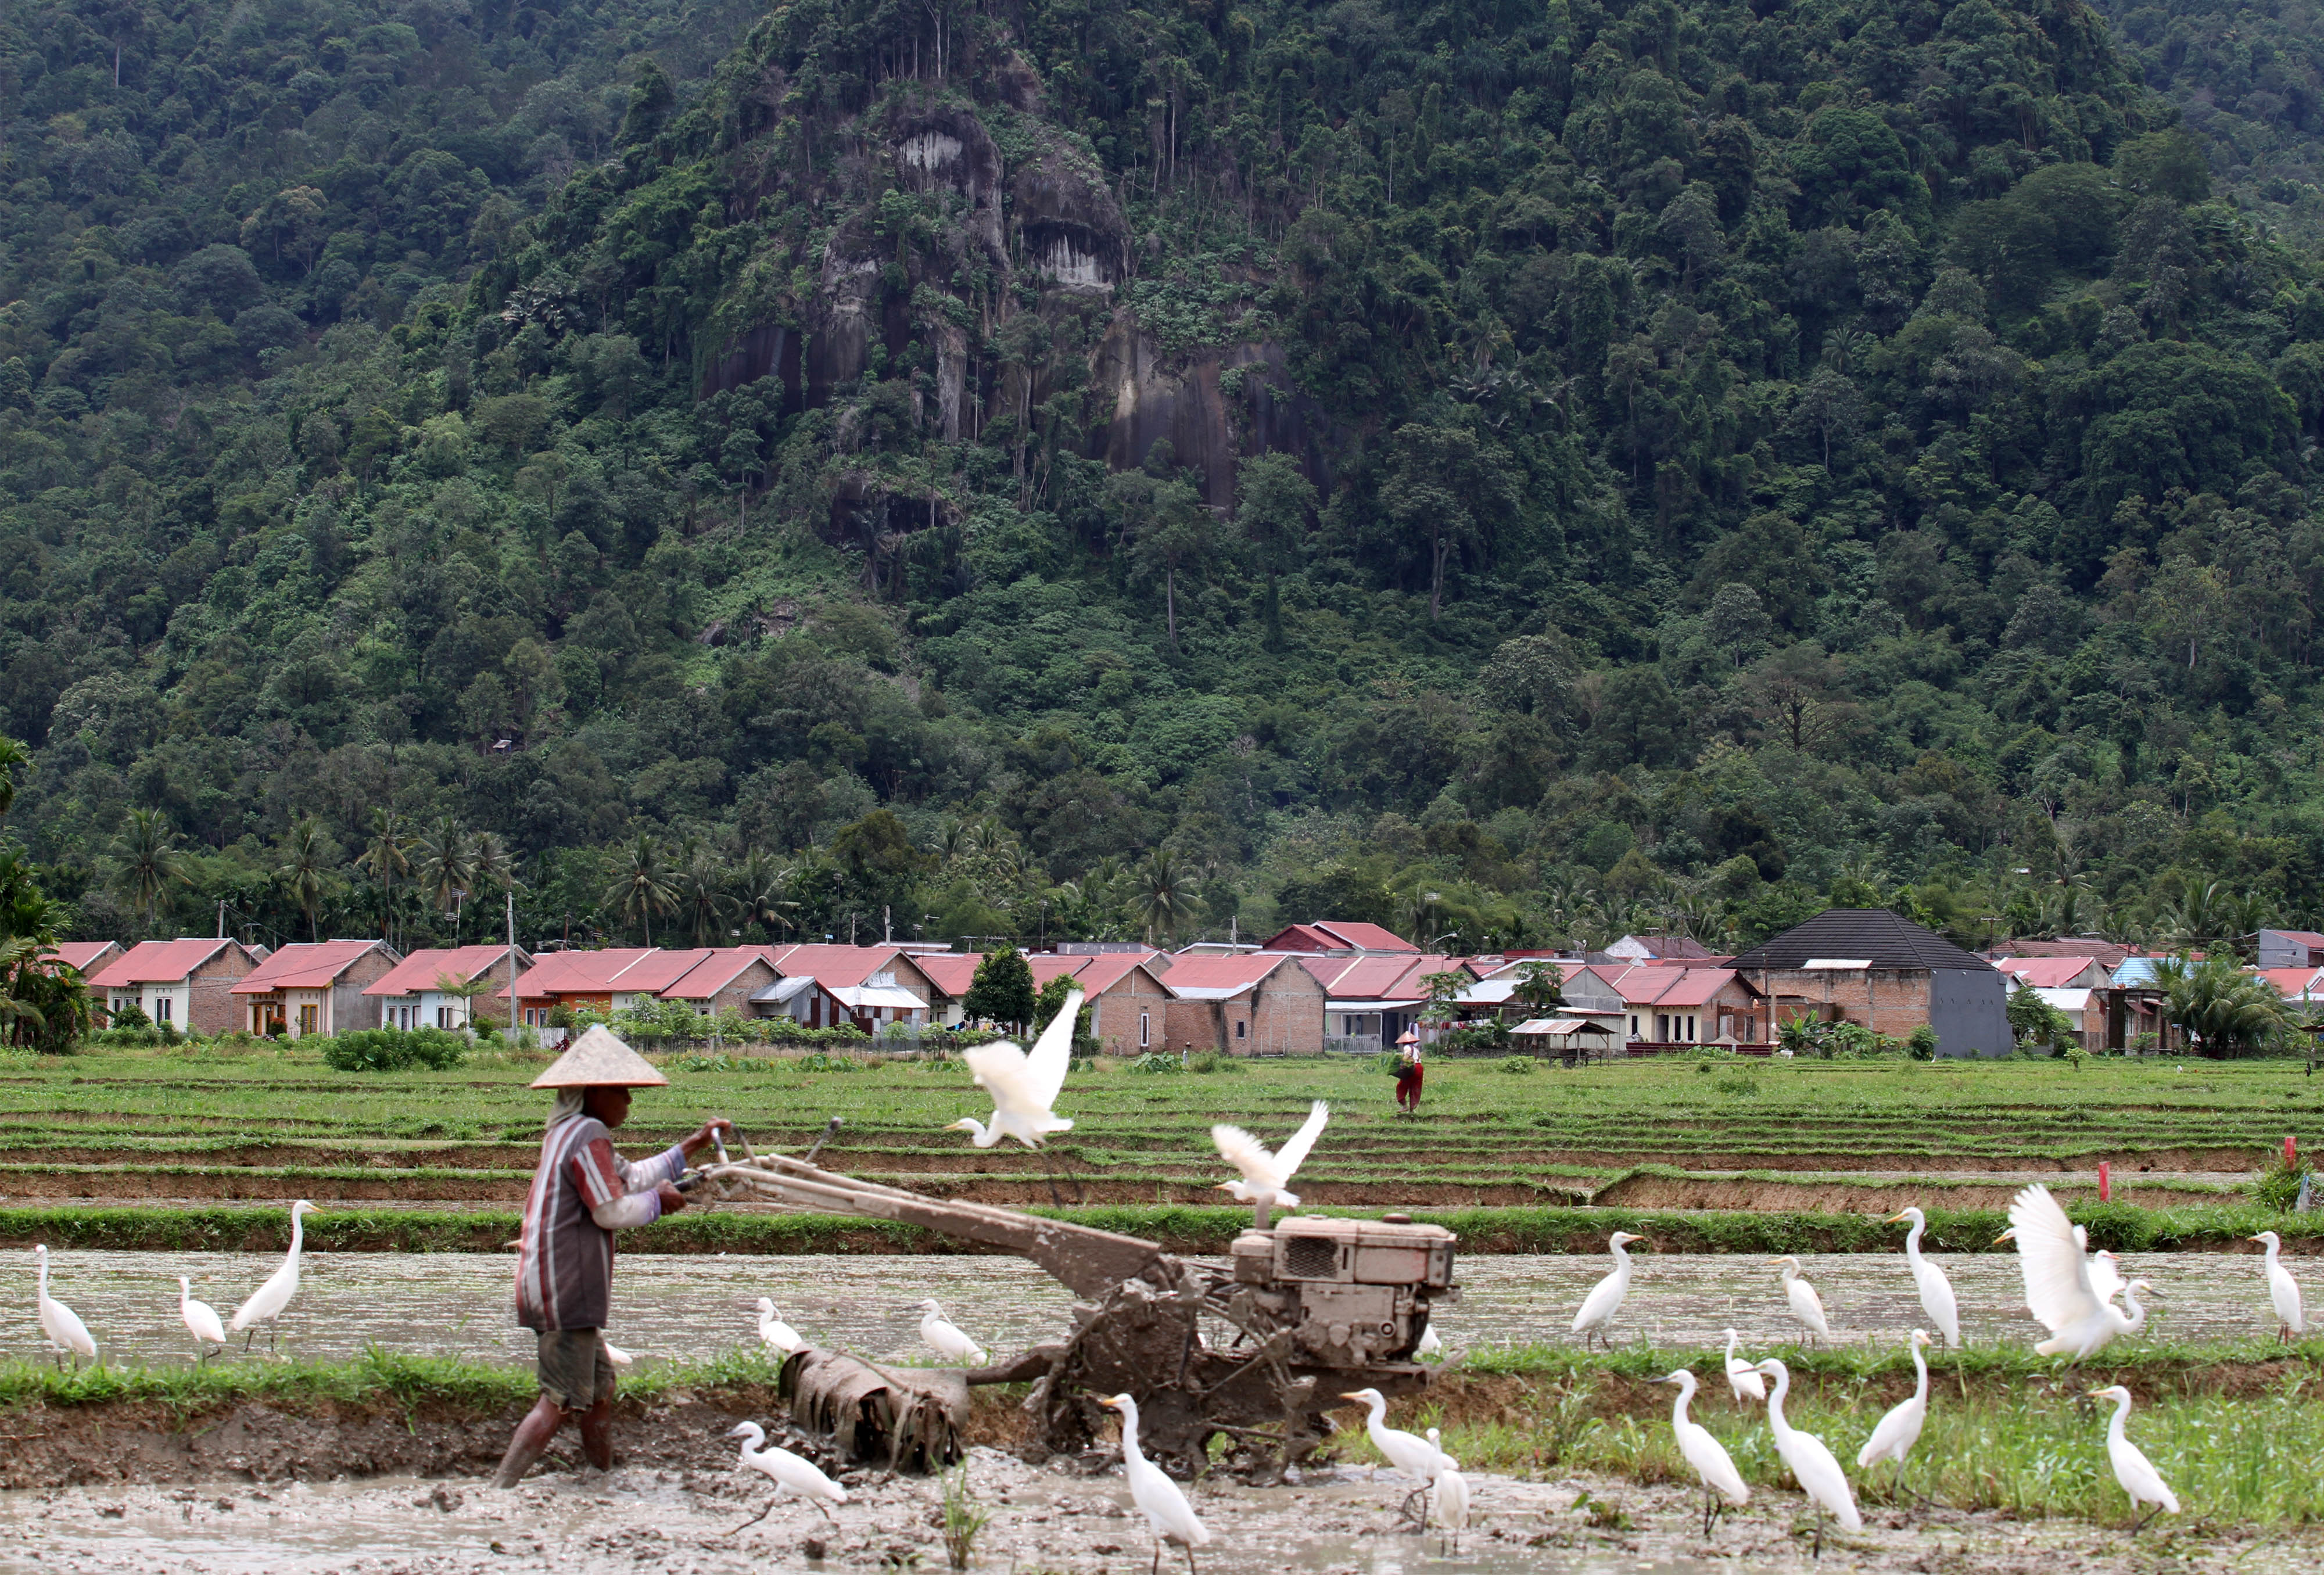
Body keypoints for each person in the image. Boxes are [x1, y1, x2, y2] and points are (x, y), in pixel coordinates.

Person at [490, 1026, 731, 1488]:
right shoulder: (589, 1134)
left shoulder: (569, 1131)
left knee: (599, 1392)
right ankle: (499, 1492)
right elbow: (610, 1210)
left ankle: (599, 1478)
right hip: (566, 1287)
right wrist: (662, 1203)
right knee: (558, 1399)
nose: (628, 1100)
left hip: (557, 1284)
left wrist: (693, 1145)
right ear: (595, 1091)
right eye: (622, 1090)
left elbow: (634, 1176)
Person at [1394, 1029, 1425, 1114]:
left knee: (1402, 1086)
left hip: (1413, 1069)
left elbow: (1407, 1055)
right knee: (1415, 1087)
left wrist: (1402, 1063)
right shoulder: (1416, 1048)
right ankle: (1412, 1109)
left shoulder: (1407, 1047)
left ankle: (1404, 1105)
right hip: (1420, 1068)